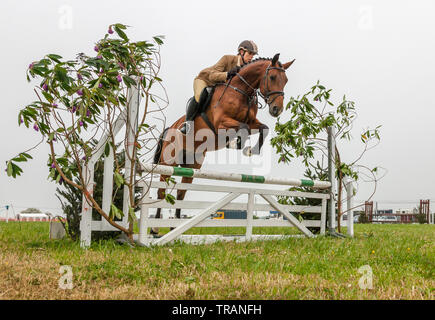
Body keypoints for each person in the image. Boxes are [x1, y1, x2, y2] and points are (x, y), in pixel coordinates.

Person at [179, 40, 258, 135]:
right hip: (205, 80)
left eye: (253, 55)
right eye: (250, 53)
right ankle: (187, 124)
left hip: (219, 87)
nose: (251, 57)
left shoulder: (245, 68)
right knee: (200, 95)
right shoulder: (227, 59)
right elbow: (212, 76)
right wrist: (227, 74)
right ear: (241, 52)